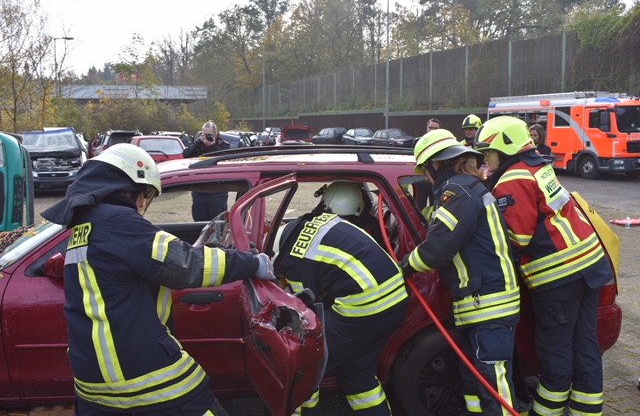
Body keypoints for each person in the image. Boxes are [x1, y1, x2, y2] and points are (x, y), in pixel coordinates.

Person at [41, 144, 275, 416]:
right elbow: (184, 264)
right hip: (138, 372)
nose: (143, 204)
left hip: (93, 380)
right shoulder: (116, 220)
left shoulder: (86, 226)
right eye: (145, 195)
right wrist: (251, 262)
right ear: (128, 187)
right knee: (196, 393)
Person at [474, 116, 613, 416]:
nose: (485, 159)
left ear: (505, 147)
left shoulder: (512, 180)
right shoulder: (538, 166)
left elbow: (518, 237)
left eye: (488, 152)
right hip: (588, 264)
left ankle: (546, 411)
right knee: (585, 342)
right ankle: (587, 411)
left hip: (559, 276)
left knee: (555, 348)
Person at [400, 129, 520, 415]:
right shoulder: (463, 189)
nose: (426, 178)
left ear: (437, 164)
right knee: (473, 380)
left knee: (492, 383)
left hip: (489, 303)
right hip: (479, 302)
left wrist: (403, 266)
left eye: (426, 170)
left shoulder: (458, 191)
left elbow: (439, 246)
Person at [272, 191, 409, 415]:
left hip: (364, 308)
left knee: (306, 365)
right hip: (395, 300)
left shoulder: (291, 261)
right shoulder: (319, 221)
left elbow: (303, 308)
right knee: (358, 373)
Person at [182, 121, 231, 221]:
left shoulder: (223, 146)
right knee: (199, 223)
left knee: (218, 222)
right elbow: (186, 155)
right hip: (199, 189)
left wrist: (212, 146)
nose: (207, 137)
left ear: (216, 134)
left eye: (210, 135)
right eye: (204, 134)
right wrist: (198, 142)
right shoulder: (199, 145)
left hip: (217, 190)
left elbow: (221, 161)